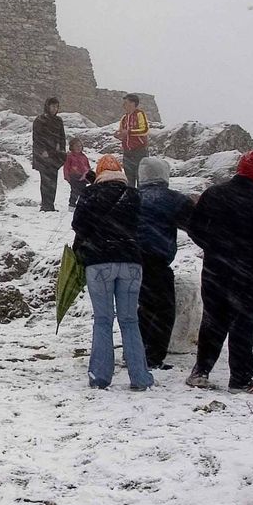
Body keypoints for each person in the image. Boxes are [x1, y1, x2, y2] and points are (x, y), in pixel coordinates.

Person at [185, 151, 253, 394]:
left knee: (212, 319)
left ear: (239, 168)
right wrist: (246, 251)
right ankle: (240, 378)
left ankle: (200, 371)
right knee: (242, 323)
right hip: (245, 271)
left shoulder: (214, 193)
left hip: (215, 267)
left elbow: (194, 227)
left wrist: (214, 245)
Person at [71, 154, 152, 391]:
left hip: (98, 262)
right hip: (131, 262)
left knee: (103, 320)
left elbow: (79, 226)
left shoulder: (89, 195)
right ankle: (139, 376)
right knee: (130, 320)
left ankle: (100, 376)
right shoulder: (134, 196)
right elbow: (144, 227)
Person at [136, 156, 195, 369]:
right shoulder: (172, 199)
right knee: (164, 309)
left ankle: (137, 350)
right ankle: (153, 356)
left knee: (143, 308)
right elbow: (193, 224)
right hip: (157, 260)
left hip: (132, 261)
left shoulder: (133, 196)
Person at [31, 97, 68, 212]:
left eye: (57, 106)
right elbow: (37, 137)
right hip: (44, 155)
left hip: (55, 155)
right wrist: (42, 150)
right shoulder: (40, 120)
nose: (55, 109)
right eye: (53, 106)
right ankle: (45, 205)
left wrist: (61, 148)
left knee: (53, 180)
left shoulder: (58, 120)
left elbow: (62, 136)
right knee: (45, 180)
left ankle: (51, 205)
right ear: (48, 106)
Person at [117, 94, 150, 186]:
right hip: (127, 152)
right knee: (129, 180)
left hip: (139, 151)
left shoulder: (140, 114)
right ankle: (131, 199)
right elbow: (122, 133)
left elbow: (145, 130)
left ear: (133, 103)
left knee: (141, 179)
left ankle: (140, 198)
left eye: (126, 103)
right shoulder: (124, 118)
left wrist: (129, 132)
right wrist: (119, 135)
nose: (123, 105)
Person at [64, 137, 92, 210]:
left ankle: (82, 204)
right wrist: (67, 176)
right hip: (74, 177)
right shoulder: (70, 156)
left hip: (83, 176)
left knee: (84, 191)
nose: (79, 148)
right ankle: (72, 205)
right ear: (72, 147)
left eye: (80, 146)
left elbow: (87, 166)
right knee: (75, 191)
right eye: (76, 146)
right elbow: (66, 167)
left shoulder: (84, 156)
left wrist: (88, 174)